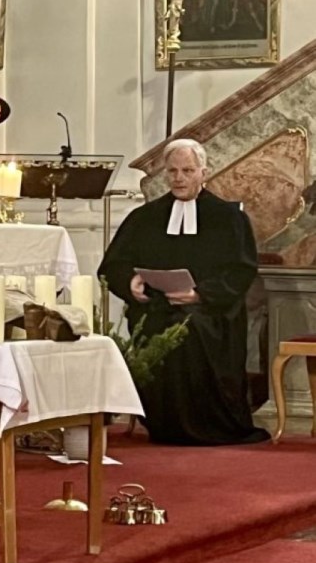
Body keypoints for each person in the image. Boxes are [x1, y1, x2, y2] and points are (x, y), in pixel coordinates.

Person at [98, 138, 269, 446]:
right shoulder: (145, 217)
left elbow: (241, 270)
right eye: (173, 171)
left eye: (188, 170)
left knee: (191, 329)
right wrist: (131, 283)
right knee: (160, 328)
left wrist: (200, 295)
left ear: (204, 172)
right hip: (156, 308)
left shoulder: (229, 219)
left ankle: (210, 423)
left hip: (210, 312)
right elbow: (113, 264)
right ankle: (164, 424)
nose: (179, 178)